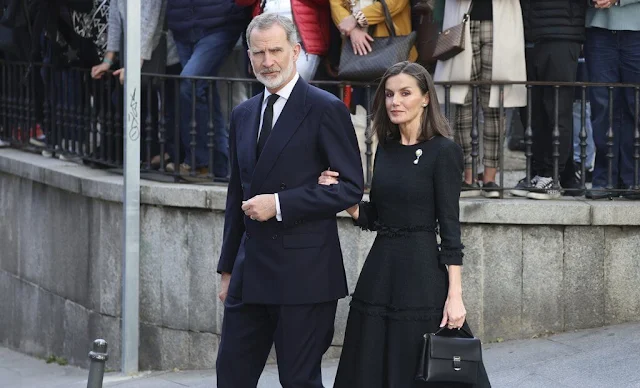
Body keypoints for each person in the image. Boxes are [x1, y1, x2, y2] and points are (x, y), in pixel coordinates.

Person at [215, 13, 364, 388]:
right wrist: (227, 269)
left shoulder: (325, 107)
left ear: (296, 51)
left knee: (299, 382)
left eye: (276, 51)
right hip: (249, 272)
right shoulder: (243, 114)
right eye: (259, 53)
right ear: (248, 57)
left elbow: (349, 187)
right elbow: (238, 194)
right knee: (231, 377)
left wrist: (279, 204)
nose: (268, 61)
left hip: (305, 273)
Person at [319, 61, 491, 387]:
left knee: (421, 364)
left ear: (426, 98)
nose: (395, 101)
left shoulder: (444, 151)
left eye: (405, 93)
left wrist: (455, 295)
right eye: (389, 94)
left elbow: (450, 230)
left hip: (422, 274)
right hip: (380, 271)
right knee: (370, 364)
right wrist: (343, 198)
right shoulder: (385, 149)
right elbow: (377, 216)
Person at [434, 0, 526, 198]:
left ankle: (490, 178)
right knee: (462, 100)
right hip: (462, 21)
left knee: (495, 102)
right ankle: (468, 177)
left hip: (501, 23)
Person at [90, 0, 182, 168]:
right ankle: (150, 153)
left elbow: (151, 21)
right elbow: (116, 21)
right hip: (137, 54)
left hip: (163, 54)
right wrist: (108, 60)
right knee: (145, 101)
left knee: (170, 105)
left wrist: (134, 63)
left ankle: (173, 156)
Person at [510, 0, 586, 200]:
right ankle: (539, 172)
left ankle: (552, 176)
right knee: (532, 112)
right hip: (528, 33)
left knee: (557, 108)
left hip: (561, 33)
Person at [584, 0, 640, 200]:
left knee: (635, 106)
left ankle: (634, 178)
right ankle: (605, 178)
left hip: (636, 29)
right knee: (602, 107)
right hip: (598, 29)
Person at [236, 0, 331, 81]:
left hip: (302, 44)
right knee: (272, 86)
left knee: (292, 85)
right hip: (265, 43)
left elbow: (326, 2)